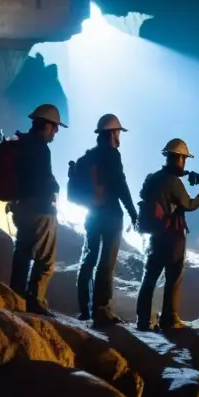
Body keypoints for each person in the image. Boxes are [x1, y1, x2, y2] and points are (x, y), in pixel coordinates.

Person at [135, 138, 199, 331]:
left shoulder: (153, 177)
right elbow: (189, 205)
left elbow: (144, 195)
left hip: (154, 236)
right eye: (184, 159)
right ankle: (169, 318)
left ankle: (142, 320)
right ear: (179, 159)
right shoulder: (173, 182)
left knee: (149, 277)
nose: (184, 163)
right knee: (173, 277)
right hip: (172, 236)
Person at [76, 114, 139, 327]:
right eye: (118, 131)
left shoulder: (89, 157)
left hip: (92, 215)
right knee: (106, 263)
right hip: (111, 215)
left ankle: (84, 309)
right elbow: (121, 184)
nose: (119, 135)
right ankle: (101, 309)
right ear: (112, 133)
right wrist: (133, 212)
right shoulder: (113, 156)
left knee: (88, 258)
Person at [9, 103, 66, 315]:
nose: (56, 131)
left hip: (21, 207)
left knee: (22, 252)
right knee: (45, 260)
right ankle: (35, 301)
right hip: (40, 209)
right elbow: (42, 181)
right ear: (46, 125)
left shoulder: (21, 142)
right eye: (55, 127)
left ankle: (15, 295)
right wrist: (54, 186)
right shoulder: (41, 149)